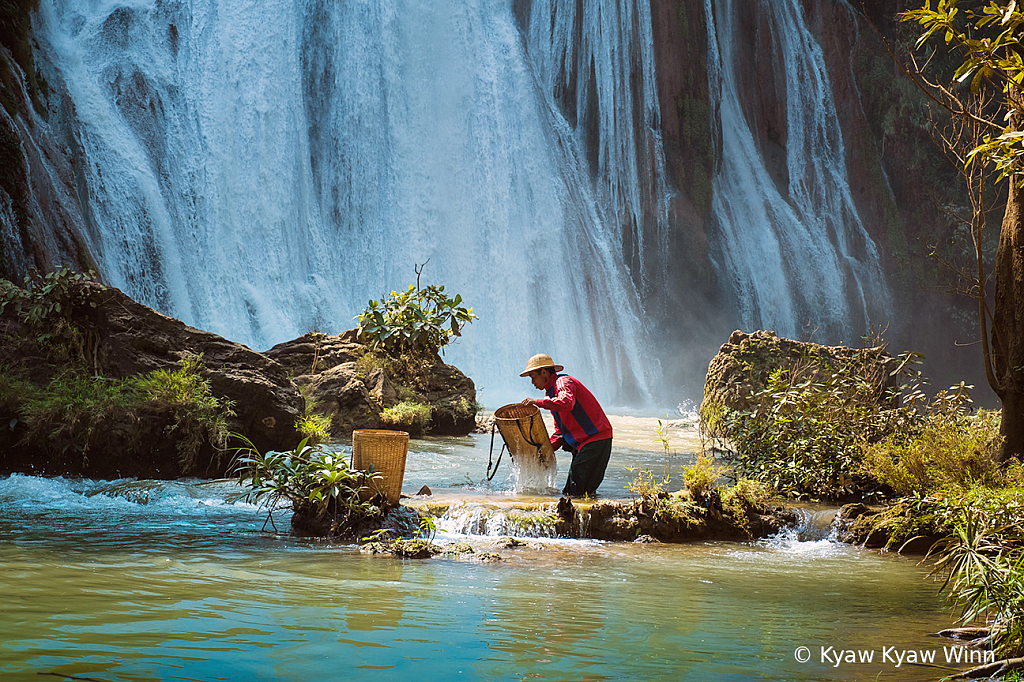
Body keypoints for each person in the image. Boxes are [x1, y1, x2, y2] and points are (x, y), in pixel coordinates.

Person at [520, 353, 613, 497]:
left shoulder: (562, 382)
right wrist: (545, 450)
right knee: (576, 490)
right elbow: (560, 431)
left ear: (543, 372)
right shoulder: (550, 394)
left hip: (595, 439)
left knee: (576, 487)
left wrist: (537, 402)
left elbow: (567, 402)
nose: (532, 382)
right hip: (588, 442)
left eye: (533, 376)